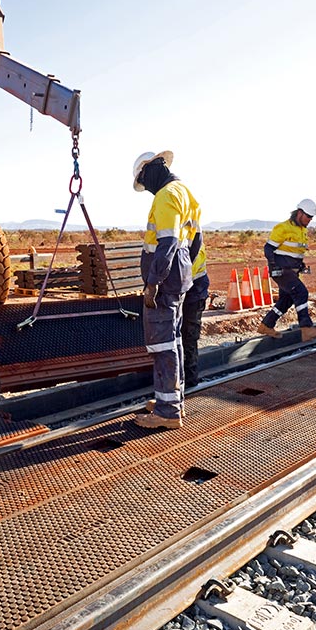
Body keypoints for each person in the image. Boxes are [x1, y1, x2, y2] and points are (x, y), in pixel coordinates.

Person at [131, 151, 199, 430]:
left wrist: (153, 282)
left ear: (150, 171)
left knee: (161, 343)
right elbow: (195, 242)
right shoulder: (185, 192)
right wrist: (185, 273)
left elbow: (167, 243)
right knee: (174, 341)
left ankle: (168, 411)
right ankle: (171, 399)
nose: (146, 189)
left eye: (143, 182)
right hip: (179, 278)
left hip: (164, 283)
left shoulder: (165, 196)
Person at [256, 198, 316, 342]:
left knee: (287, 299)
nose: (309, 220)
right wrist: (274, 265)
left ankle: (266, 325)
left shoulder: (302, 230)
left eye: (311, 217)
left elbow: (294, 251)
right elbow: (268, 248)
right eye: (308, 216)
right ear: (300, 213)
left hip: (291, 270)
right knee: (301, 292)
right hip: (281, 270)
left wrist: (300, 264)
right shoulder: (283, 228)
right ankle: (306, 328)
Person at [181, 242, 209, 388]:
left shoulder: (194, 245)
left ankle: (190, 381)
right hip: (186, 294)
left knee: (189, 336)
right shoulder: (184, 240)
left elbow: (184, 275)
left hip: (194, 295)